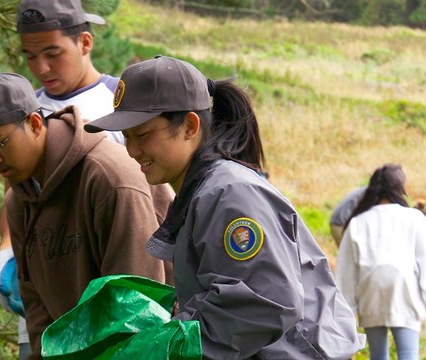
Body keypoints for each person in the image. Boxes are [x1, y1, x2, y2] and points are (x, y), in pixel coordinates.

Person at [84, 55, 365, 359]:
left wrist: (170, 344)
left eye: (142, 135)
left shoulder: (228, 193)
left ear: (190, 126)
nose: (133, 151)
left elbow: (267, 302)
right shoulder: (200, 191)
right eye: (126, 138)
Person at [0, 72, 170, 360]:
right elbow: (37, 314)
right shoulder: (18, 202)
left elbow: (136, 307)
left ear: (35, 124)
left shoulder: (108, 177)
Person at [0, 1, 153, 357]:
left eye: (52, 53)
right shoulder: (23, 112)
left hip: (114, 297)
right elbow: (15, 195)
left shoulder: (122, 106)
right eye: (30, 56)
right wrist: (6, 254)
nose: (41, 67)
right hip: (46, 308)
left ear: (84, 42)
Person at [335, 164, 426, 360]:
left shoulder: (358, 222)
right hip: (404, 292)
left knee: (378, 356)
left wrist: (346, 309)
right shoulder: (414, 218)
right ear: (400, 189)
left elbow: (347, 271)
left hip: (370, 292)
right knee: (408, 354)